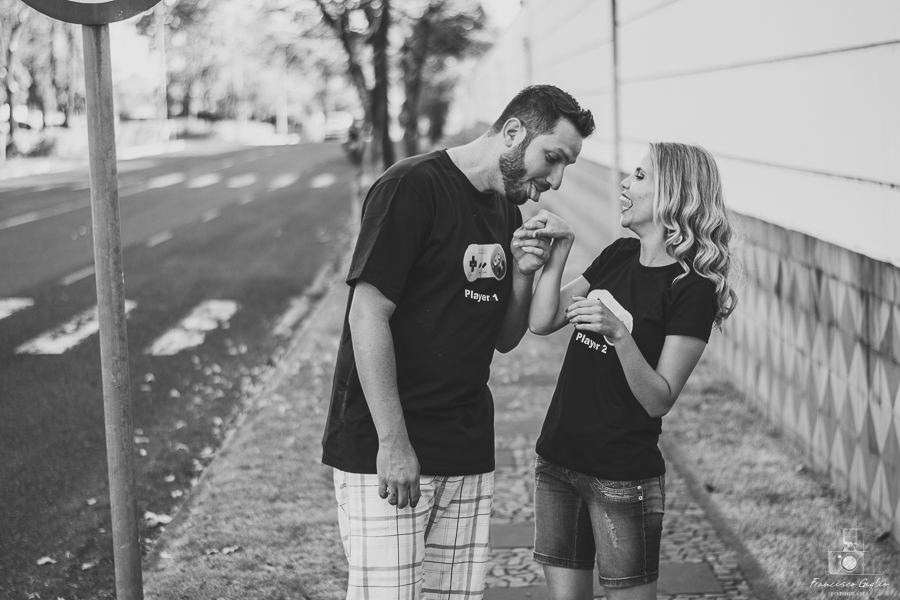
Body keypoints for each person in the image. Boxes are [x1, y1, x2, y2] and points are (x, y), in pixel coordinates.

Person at [321, 85, 596, 600]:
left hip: (465, 447)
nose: (556, 180)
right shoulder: (410, 187)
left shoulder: (505, 211)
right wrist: (393, 443)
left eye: (566, 166)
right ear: (513, 132)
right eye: (553, 158)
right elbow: (367, 314)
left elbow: (505, 338)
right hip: (387, 447)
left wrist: (523, 273)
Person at [521, 142, 738, 600]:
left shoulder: (691, 289)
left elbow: (659, 398)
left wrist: (619, 333)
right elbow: (542, 321)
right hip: (557, 461)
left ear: (673, 194)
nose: (624, 182)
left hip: (621, 477)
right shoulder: (619, 254)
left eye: (639, 176)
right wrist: (560, 252)